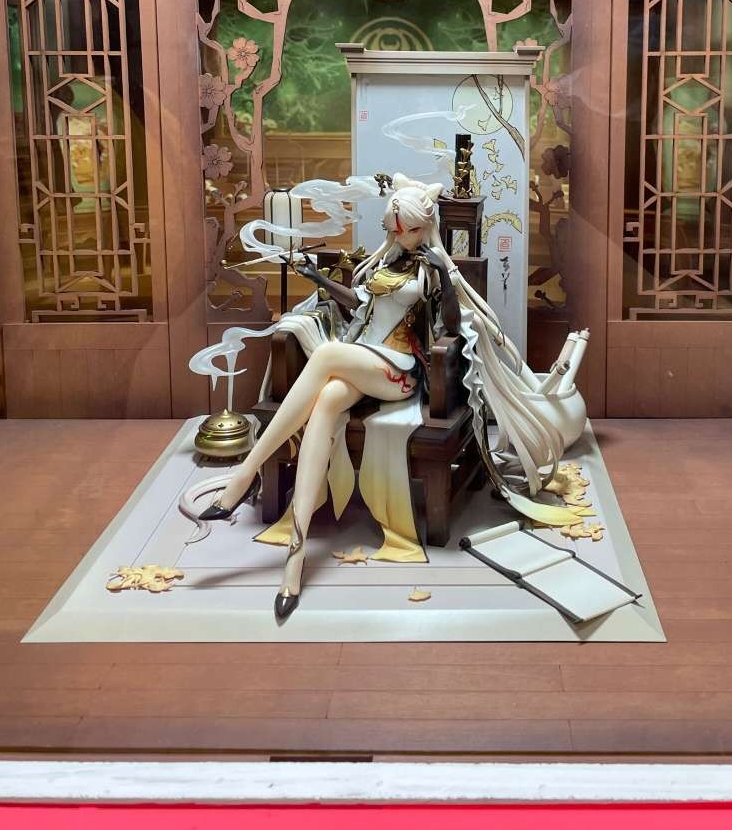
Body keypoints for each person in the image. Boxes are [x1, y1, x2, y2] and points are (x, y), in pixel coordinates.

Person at [198, 173, 588, 622]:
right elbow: (360, 305)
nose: (398, 236)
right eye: (393, 229)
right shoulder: (385, 264)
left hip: (398, 372)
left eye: (406, 229)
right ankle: (295, 560)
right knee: (326, 401)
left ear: (423, 227)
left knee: (325, 355)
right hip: (365, 360)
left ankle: (243, 476)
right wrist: (319, 279)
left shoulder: (430, 269)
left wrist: (444, 275)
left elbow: (452, 323)